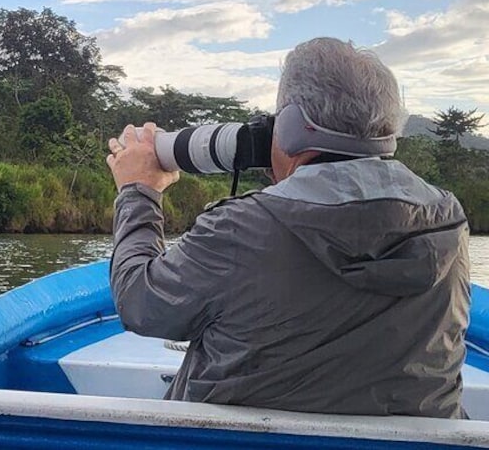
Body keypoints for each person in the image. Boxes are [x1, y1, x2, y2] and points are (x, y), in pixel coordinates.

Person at [105, 37, 470, 419]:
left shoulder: (239, 228)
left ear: (293, 126)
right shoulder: (447, 218)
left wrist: (139, 191)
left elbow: (139, 304)